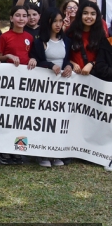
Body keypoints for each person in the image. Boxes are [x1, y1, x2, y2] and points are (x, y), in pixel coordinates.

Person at [0, 6, 37, 165]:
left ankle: (19, 149)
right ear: (12, 18)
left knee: (22, 118)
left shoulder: (30, 37)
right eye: (18, 16)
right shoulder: (4, 37)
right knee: (7, 117)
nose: (21, 19)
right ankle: (3, 150)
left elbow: (33, 55)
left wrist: (34, 59)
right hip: (8, 84)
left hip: (26, 84)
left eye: (24, 16)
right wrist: (8, 56)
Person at [31, 8, 71, 167]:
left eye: (61, 21)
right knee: (45, 121)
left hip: (62, 88)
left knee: (59, 121)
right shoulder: (40, 41)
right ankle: (43, 154)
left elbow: (67, 59)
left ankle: (57, 153)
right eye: (55, 21)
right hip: (45, 88)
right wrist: (50, 65)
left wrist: (67, 66)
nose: (58, 24)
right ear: (48, 22)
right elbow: (37, 61)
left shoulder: (66, 41)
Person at [67, 1, 105, 76]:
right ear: (80, 15)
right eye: (85, 13)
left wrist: (92, 64)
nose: (89, 16)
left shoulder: (101, 35)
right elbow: (62, 55)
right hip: (72, 78)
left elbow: (104, 58)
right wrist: (72, 64)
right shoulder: (70, 32)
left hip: (94, 79)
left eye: (93, 14)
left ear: (97, 16)